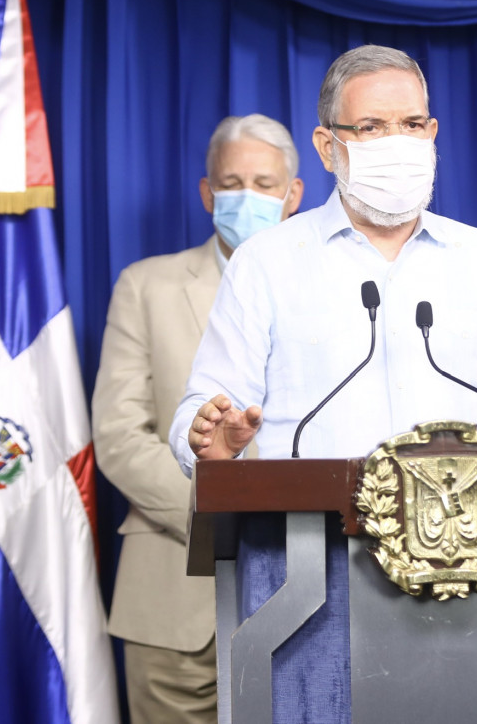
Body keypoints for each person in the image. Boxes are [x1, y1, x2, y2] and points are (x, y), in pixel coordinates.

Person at [169, 45, 477, 475]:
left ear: (431, 134)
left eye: (412, 125)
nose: (396, 143)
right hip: (311, 531)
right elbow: (205, 410)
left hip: (462, 532)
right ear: (328, 148)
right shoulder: (265, 262)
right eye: (372, 127)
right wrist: (207, 441)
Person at [92, 114, 303, 724]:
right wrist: (219, 511)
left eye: (264, 184)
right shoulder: (145, 286)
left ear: (293, 195)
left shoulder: (337, 291)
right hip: (173, 593)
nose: (247, 196)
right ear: (208, 193)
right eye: (232, 183)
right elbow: (118, 434)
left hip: (309, 589)